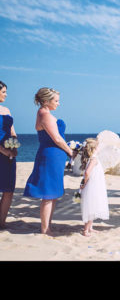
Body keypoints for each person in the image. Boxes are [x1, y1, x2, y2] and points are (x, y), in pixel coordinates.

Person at [24, 88, 73, 235]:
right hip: (50, 157)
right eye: (56, 101)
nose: (59, 103)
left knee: (53, 193)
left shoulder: (43, 113)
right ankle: (45, 229)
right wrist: (71, 152)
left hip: (55, 157)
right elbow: (57, 139)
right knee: (48, 194)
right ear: (46, 101)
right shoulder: (45, 115)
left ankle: (48, 226)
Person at [78, 138, 109, 237]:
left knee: (93, 206)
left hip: (94, 185)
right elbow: (87, 173)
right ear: (94, 148)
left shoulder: (92, 158)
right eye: (98, 146)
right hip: (92, 186)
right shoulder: (94, 159)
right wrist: (84, 183)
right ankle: (86, 230)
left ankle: (90, 227)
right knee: (91, 207)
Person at [0, 81, 18, 229]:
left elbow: (12, 132)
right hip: (1, 151)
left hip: (9, 153)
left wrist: (14, 147)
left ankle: (1, 222)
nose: (6, 94)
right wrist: (4, 151)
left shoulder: (7, 109)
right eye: (4, 91)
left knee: (8, 189)